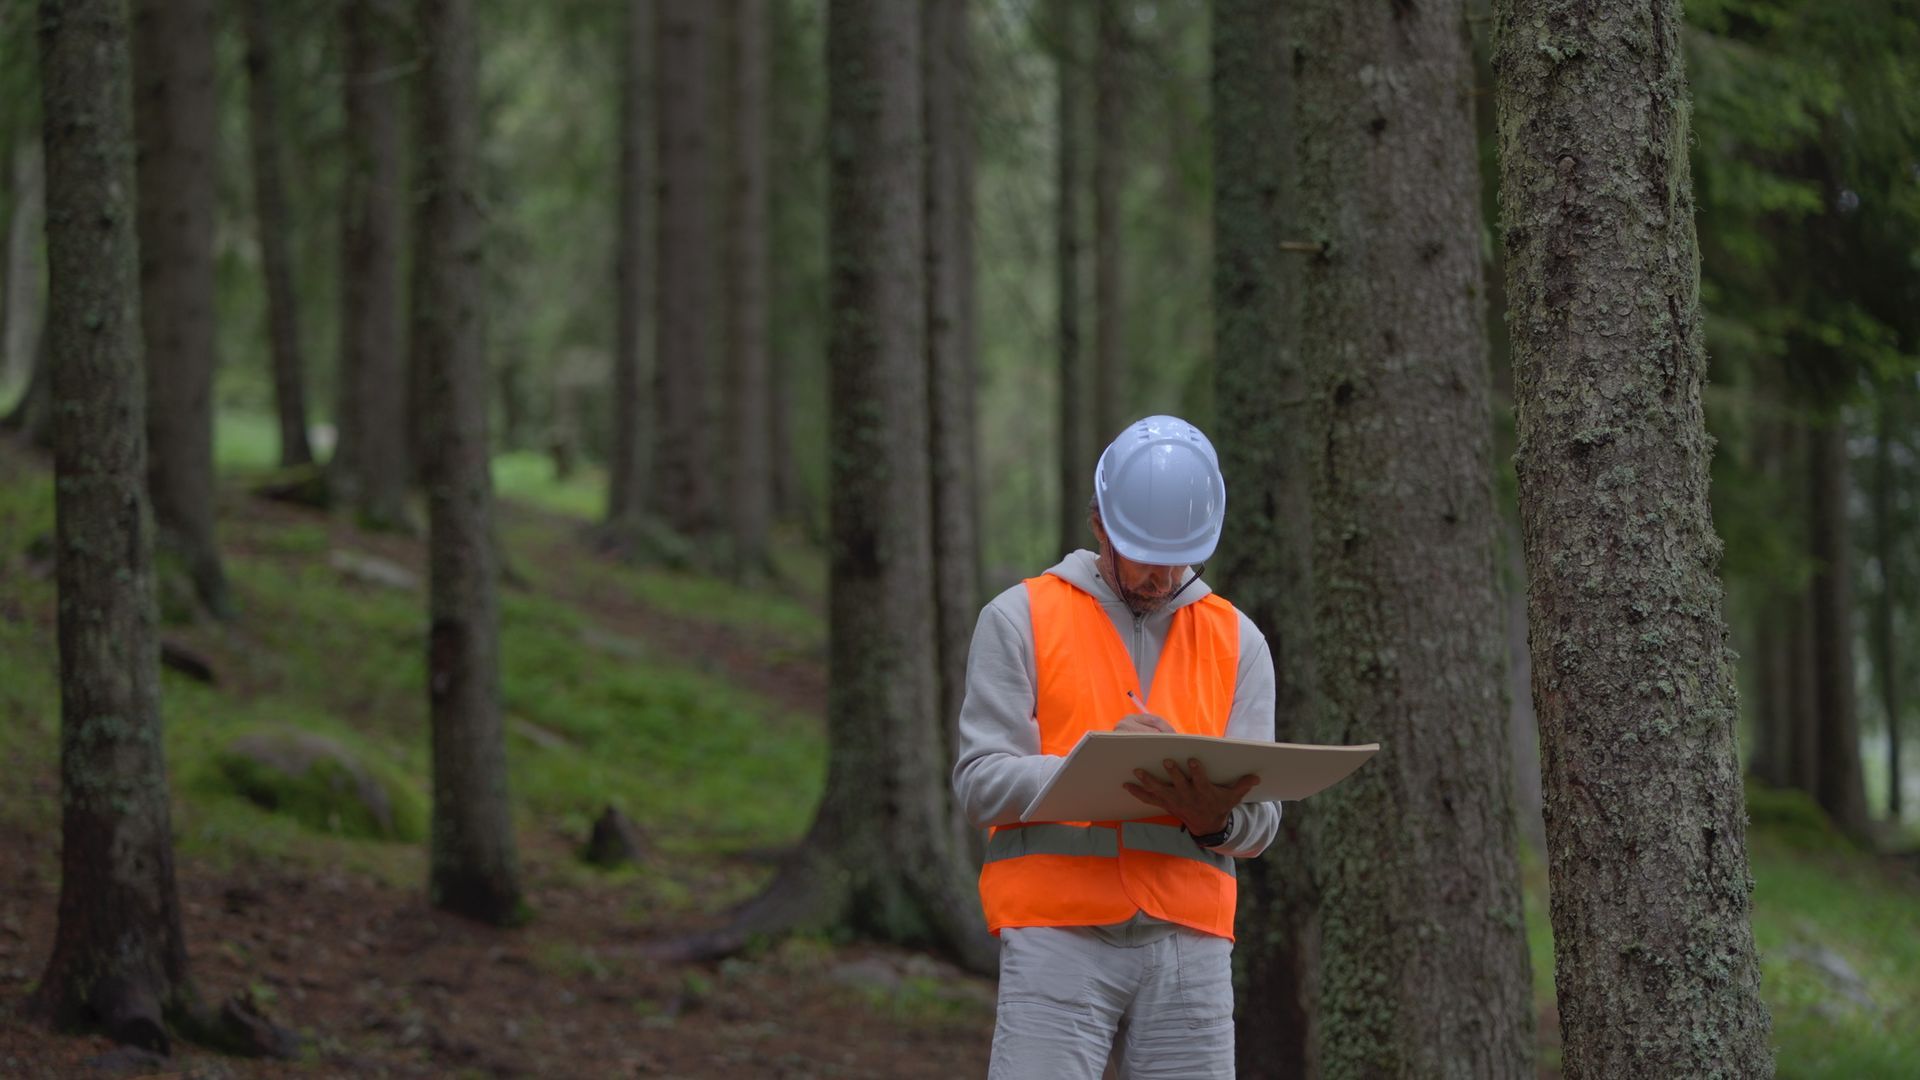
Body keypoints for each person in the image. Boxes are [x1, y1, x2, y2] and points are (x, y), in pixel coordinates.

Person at [952, 414, 1279, 1080]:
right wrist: (1091, 768)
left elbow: (1263, 823)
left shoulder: (1239, 641)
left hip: (1192, 946)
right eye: (1144, 555)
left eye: (1177, 559)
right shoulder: (1019, 617)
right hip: (1055, 932)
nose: (1161, 577)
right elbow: (980, 783)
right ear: (1101, 524)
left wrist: (1215, 817)